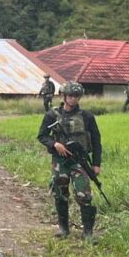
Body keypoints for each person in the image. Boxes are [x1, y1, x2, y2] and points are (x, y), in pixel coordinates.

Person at [38, 81, 102, 241]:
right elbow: (42, 136)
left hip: (79, 160)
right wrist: (55, 144)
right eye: (71, 95)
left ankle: (88, 232)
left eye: (77, 96)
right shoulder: (52, 115)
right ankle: (63, 228)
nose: (74, 99)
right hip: (60, 161)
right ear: (64, 96)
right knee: (60, 193)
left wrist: (96, 163)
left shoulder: (86, 116)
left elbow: (96, 140)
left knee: (84, 195)